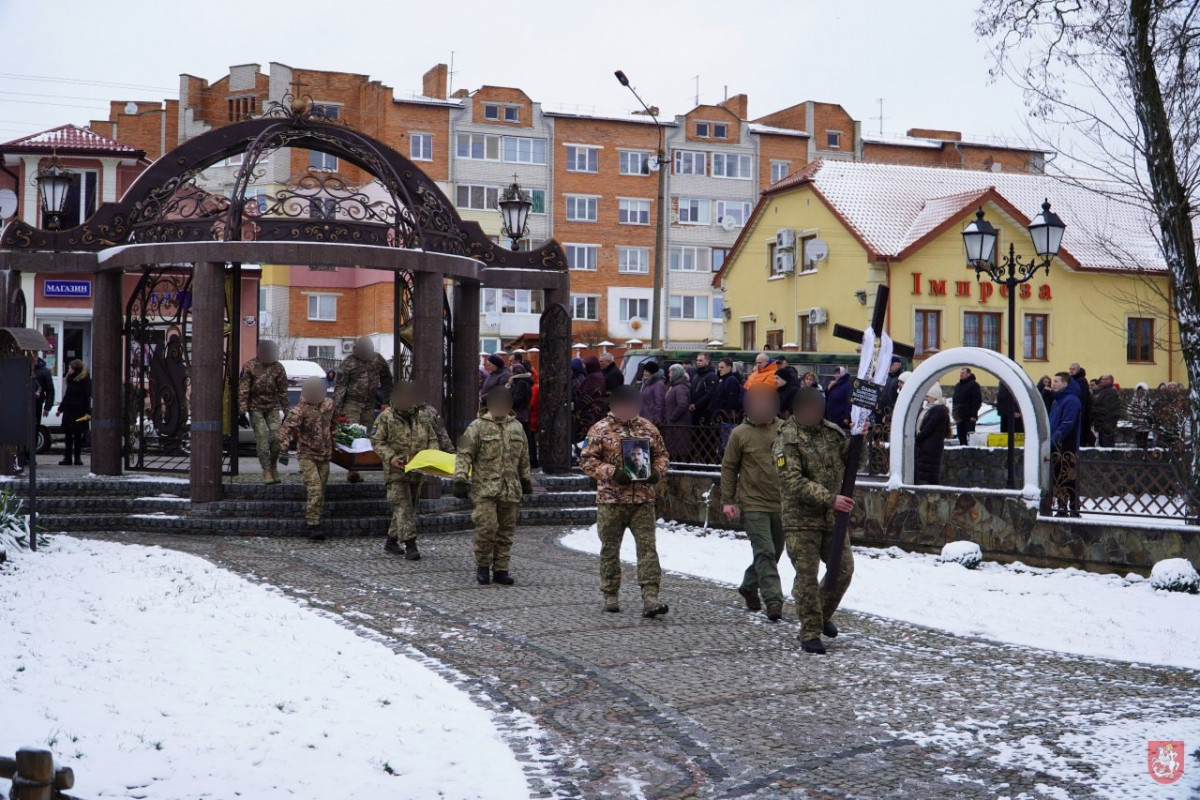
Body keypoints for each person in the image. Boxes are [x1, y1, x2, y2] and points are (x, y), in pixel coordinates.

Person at [579, 385, 670, 617]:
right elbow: (587, 460)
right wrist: (611, 472)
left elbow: (662, 455)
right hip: (611, 501)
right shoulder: (600, 429)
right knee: (610, 549)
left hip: (642, 500)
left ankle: (651, 598)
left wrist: (657, 473)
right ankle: (610, 594)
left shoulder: (648, 428)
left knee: (648, 549)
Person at [775, 388, 853, 655]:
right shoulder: (787, 438)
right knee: (807, 576)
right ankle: (810, 631)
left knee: (842, 571)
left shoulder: (832, 433)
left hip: (832, 519)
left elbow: (853, 460)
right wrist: (830, 498)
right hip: (801, 520)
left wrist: (861, 437)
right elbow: (792, 481)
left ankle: (820, 615)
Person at [454, 386, 532, 586]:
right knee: (487, 529)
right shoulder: (477, 427)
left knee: (506, 532)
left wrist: (526, 479)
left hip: (510, 489)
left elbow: (524, 457)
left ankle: (501, 569)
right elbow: (464, 454)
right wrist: (460, 478)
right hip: (485, 489)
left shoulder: (517, 427)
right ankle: (483, 566)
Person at [721, 387, 786, 621]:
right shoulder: (740, 434)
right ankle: (774, 601)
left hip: (780, 503)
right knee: (765, 552)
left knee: (774, 552)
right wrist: (728, 500)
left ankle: (749, 585)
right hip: (753, 504)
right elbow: (729, 468)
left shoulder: (784, 429)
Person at [372, 382, 443, 560]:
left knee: (409, 509)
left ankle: (391, 541)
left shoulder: (422, 417)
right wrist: (392, 457)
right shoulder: (385, 417)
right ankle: (411, 545)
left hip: (417, 471)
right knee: (403, 506)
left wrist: (431, 456)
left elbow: (433, 438)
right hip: (396, 472)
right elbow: (377, 442)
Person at [279, 378, 338, 540]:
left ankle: (316, 517)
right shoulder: (299, 410)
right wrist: (283, 448)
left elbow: (333, 424)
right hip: (307, 454)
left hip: (324, 454)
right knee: (315, 488)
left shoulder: (329, 405)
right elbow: (286, 429)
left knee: (321, 490)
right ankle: (312, 524)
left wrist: (336, 439)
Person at [334, 337, 393, 482]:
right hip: (351, 403)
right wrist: (337, 409)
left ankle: (364, 464)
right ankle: (353, 470)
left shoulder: (378, 359)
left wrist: (387, 402)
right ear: (356, 350)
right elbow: (340, 386)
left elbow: (387, 379)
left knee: (368, 434)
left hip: (369, 404)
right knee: (354, 433)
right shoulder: (347, 363)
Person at [238, 340, 289, 484]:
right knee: (262, 439)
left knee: (276, 437)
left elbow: (283, 391)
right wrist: (242, 411)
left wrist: (286, 412)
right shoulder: (250, 366)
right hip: (255, 407)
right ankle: (266, 470)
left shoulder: (278, 368)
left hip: (272, 407)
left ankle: (273, 467)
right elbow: (244, 389)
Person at [1049, 372, 1082, 517]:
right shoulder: (1058, 400)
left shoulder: (1071, 400)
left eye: (1056, 381)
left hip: (1067, 444)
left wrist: (1054, 438)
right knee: (1058, 477)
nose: (1053, 383)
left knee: (1069, 477)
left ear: (1065, 384)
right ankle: (1062, 507)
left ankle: (1074, 508)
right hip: (1056, 445)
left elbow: (1067, 424)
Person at [56, 359, 92, 467]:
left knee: (77, 436)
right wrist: (60, 409)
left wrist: (88, 412)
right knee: (68, 435)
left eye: (69, 368)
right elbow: (67, 395)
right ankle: (67, 458)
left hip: (79, 412)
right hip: (69, 411)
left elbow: (87, 397)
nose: (68, 369)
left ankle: (77, 458)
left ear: (75, 368)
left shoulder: (84, 380)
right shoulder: (70, 379)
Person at [914, 384, 950, 485]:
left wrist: (917, 438)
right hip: (925, 446)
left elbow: (928, 428)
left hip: (931, 447)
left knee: (929, 474)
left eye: (928, 396)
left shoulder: (939, 410)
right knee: (923, 472)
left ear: (934, 396)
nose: (926, 398)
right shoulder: (927, 409)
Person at [663, 363, 692, 462]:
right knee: (673, 448)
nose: (669, 375)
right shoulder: (674, 386)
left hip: (679, 424)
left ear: (676, 373)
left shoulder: (680, 387)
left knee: (679, 450)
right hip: (673, 424)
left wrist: (672, 417)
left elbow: (682, 404)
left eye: (670, 372)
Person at [575, 356, 609, 436]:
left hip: (591, 412)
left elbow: (586, 395)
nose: (585, 369)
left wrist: (578, 406)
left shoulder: (593, 377)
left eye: (587, 366)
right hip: (598, 410)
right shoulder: (599, 375)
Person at [951, 367, 982, 445]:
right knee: (961, 436)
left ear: (968, 374)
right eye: (960, 373)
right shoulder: (958, 385)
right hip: (959, 416)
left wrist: (973, 415)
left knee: (969, 437)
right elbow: (955, 400)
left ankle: (970, 454)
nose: (961, 374)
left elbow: (977, 401)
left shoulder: (974, 385)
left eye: (963, 373)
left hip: (969, 416)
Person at [1068, 363, 1096, 447]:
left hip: (1080, 410)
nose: (1071, 371)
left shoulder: (1081, 381)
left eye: (1073, 369)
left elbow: (1082, 397)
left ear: (1078, 370)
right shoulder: (1072, 380)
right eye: (1070, 369)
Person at [1092, 374, 1123, 447]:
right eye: (1102, 379)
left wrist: (1095, 410)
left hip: (1107, 423)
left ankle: (1109, 457)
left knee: (1107, 444)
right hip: (1102, 423)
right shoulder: (1103, 391)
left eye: (1105, 379)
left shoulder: (1111, 392)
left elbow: (1108, 408)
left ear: (1110, 380)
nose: (1102, 381)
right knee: (1102, 443)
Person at [689, 353, 719, 424]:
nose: (698, 362)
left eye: (701, 360)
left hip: (705, 411)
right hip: (694, 411)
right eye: (697, 360)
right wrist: (690, 403)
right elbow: (692, 391)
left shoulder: (711, 376)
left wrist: (696, 404)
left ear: (707, 362)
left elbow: (709, 394)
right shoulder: (696, 376)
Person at [1128, 383, 1153, 449]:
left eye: (1142, 391)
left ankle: (1144, 453)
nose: (1141, 392)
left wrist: (1144, 415)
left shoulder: (1148, 401)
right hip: (1136, 424)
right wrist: (1135, 415)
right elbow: (1129, 410)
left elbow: (1150, 410)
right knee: (1138, 440)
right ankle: (1139, 452)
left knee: (1144, 439)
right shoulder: (1134, 400)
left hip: (1145, 424)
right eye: (1139, 391)